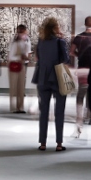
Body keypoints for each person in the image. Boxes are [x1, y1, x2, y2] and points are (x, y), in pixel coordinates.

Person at [32, 16, 71, 151]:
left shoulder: (40, 41)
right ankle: (59, 143)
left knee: (44, 111)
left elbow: (39, 58)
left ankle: (42, 143)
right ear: (55, 28)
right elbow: (66, 59)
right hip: (57, 78)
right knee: (59, 111)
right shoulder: (60, 41)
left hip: (42, 78)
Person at [71, 15, 91, 124]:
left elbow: (71, 51)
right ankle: (90, 114)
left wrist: (79, 55)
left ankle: (79, 116)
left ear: (85, 24)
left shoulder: (78, 37)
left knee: (81, 93)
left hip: (82, 67)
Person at [7, 24, 31, 113]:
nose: (23, 34)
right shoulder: (13, 42)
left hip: (22, 66)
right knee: (13, 87)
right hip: (14, 66)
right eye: (21, 32)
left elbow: (28, 53)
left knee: (21, 87)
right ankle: (13, 107)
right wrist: (19, 57)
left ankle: (20, 107)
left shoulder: (27, 41)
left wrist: (26, 58)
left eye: (24, 32)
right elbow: (10, 56)